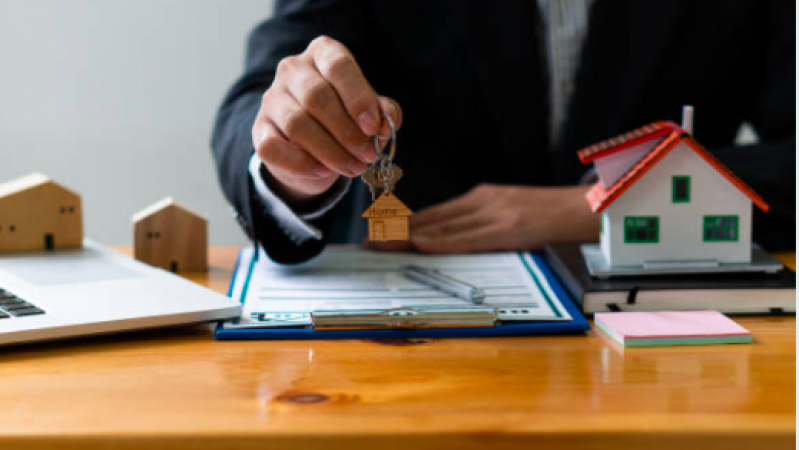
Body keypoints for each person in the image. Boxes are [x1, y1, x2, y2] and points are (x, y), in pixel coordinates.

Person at [213, 0, 794, 264]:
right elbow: (261, 94)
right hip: (408, 311)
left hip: (657, 319)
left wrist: (606, 206)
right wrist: (293, 158)